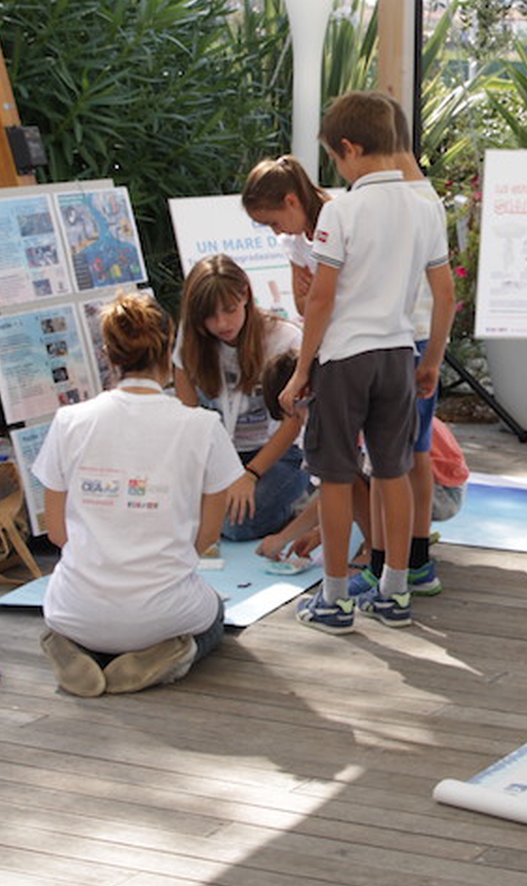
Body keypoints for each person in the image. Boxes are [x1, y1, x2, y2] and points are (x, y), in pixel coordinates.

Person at [280, 90, 454, 632]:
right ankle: (395, 592)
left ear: (351, 148)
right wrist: (432, 361)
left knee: (334, 477)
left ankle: (333, 599)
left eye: (335, 157)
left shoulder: (342, 212)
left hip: (346, 359)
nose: (337, 167)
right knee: (393, 472)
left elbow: (322, 299)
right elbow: (445, 295)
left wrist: (302, 369)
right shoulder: (425, 208)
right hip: (400, 355)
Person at [32, 293, 242, 697]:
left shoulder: (69, 421)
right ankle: (170, 657)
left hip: (74, 611)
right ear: (168, 349)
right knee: (214, 613)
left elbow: (57, 532)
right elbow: (208, 535)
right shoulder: (202, 426)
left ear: (109, 355)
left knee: (74, 613)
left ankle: (70, 648)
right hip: (164, 614)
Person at [173, 254, 309, 542]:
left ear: (245, 294)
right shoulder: (191, 342)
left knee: (234, 525)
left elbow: (293, 423)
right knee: (168, 511)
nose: (222, 323)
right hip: (221, 455)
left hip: (277, 456)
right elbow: (189, 417)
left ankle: (295, 505)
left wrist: (250, 474)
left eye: (230, 309)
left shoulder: (283, 338)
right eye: (209, 316)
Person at [241, 154, 331, 317]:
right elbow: (302, 306)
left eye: (274, 223)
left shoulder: (338, 222)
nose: (276, 232)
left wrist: (318, 288)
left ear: (291, 202)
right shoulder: (293, 242)